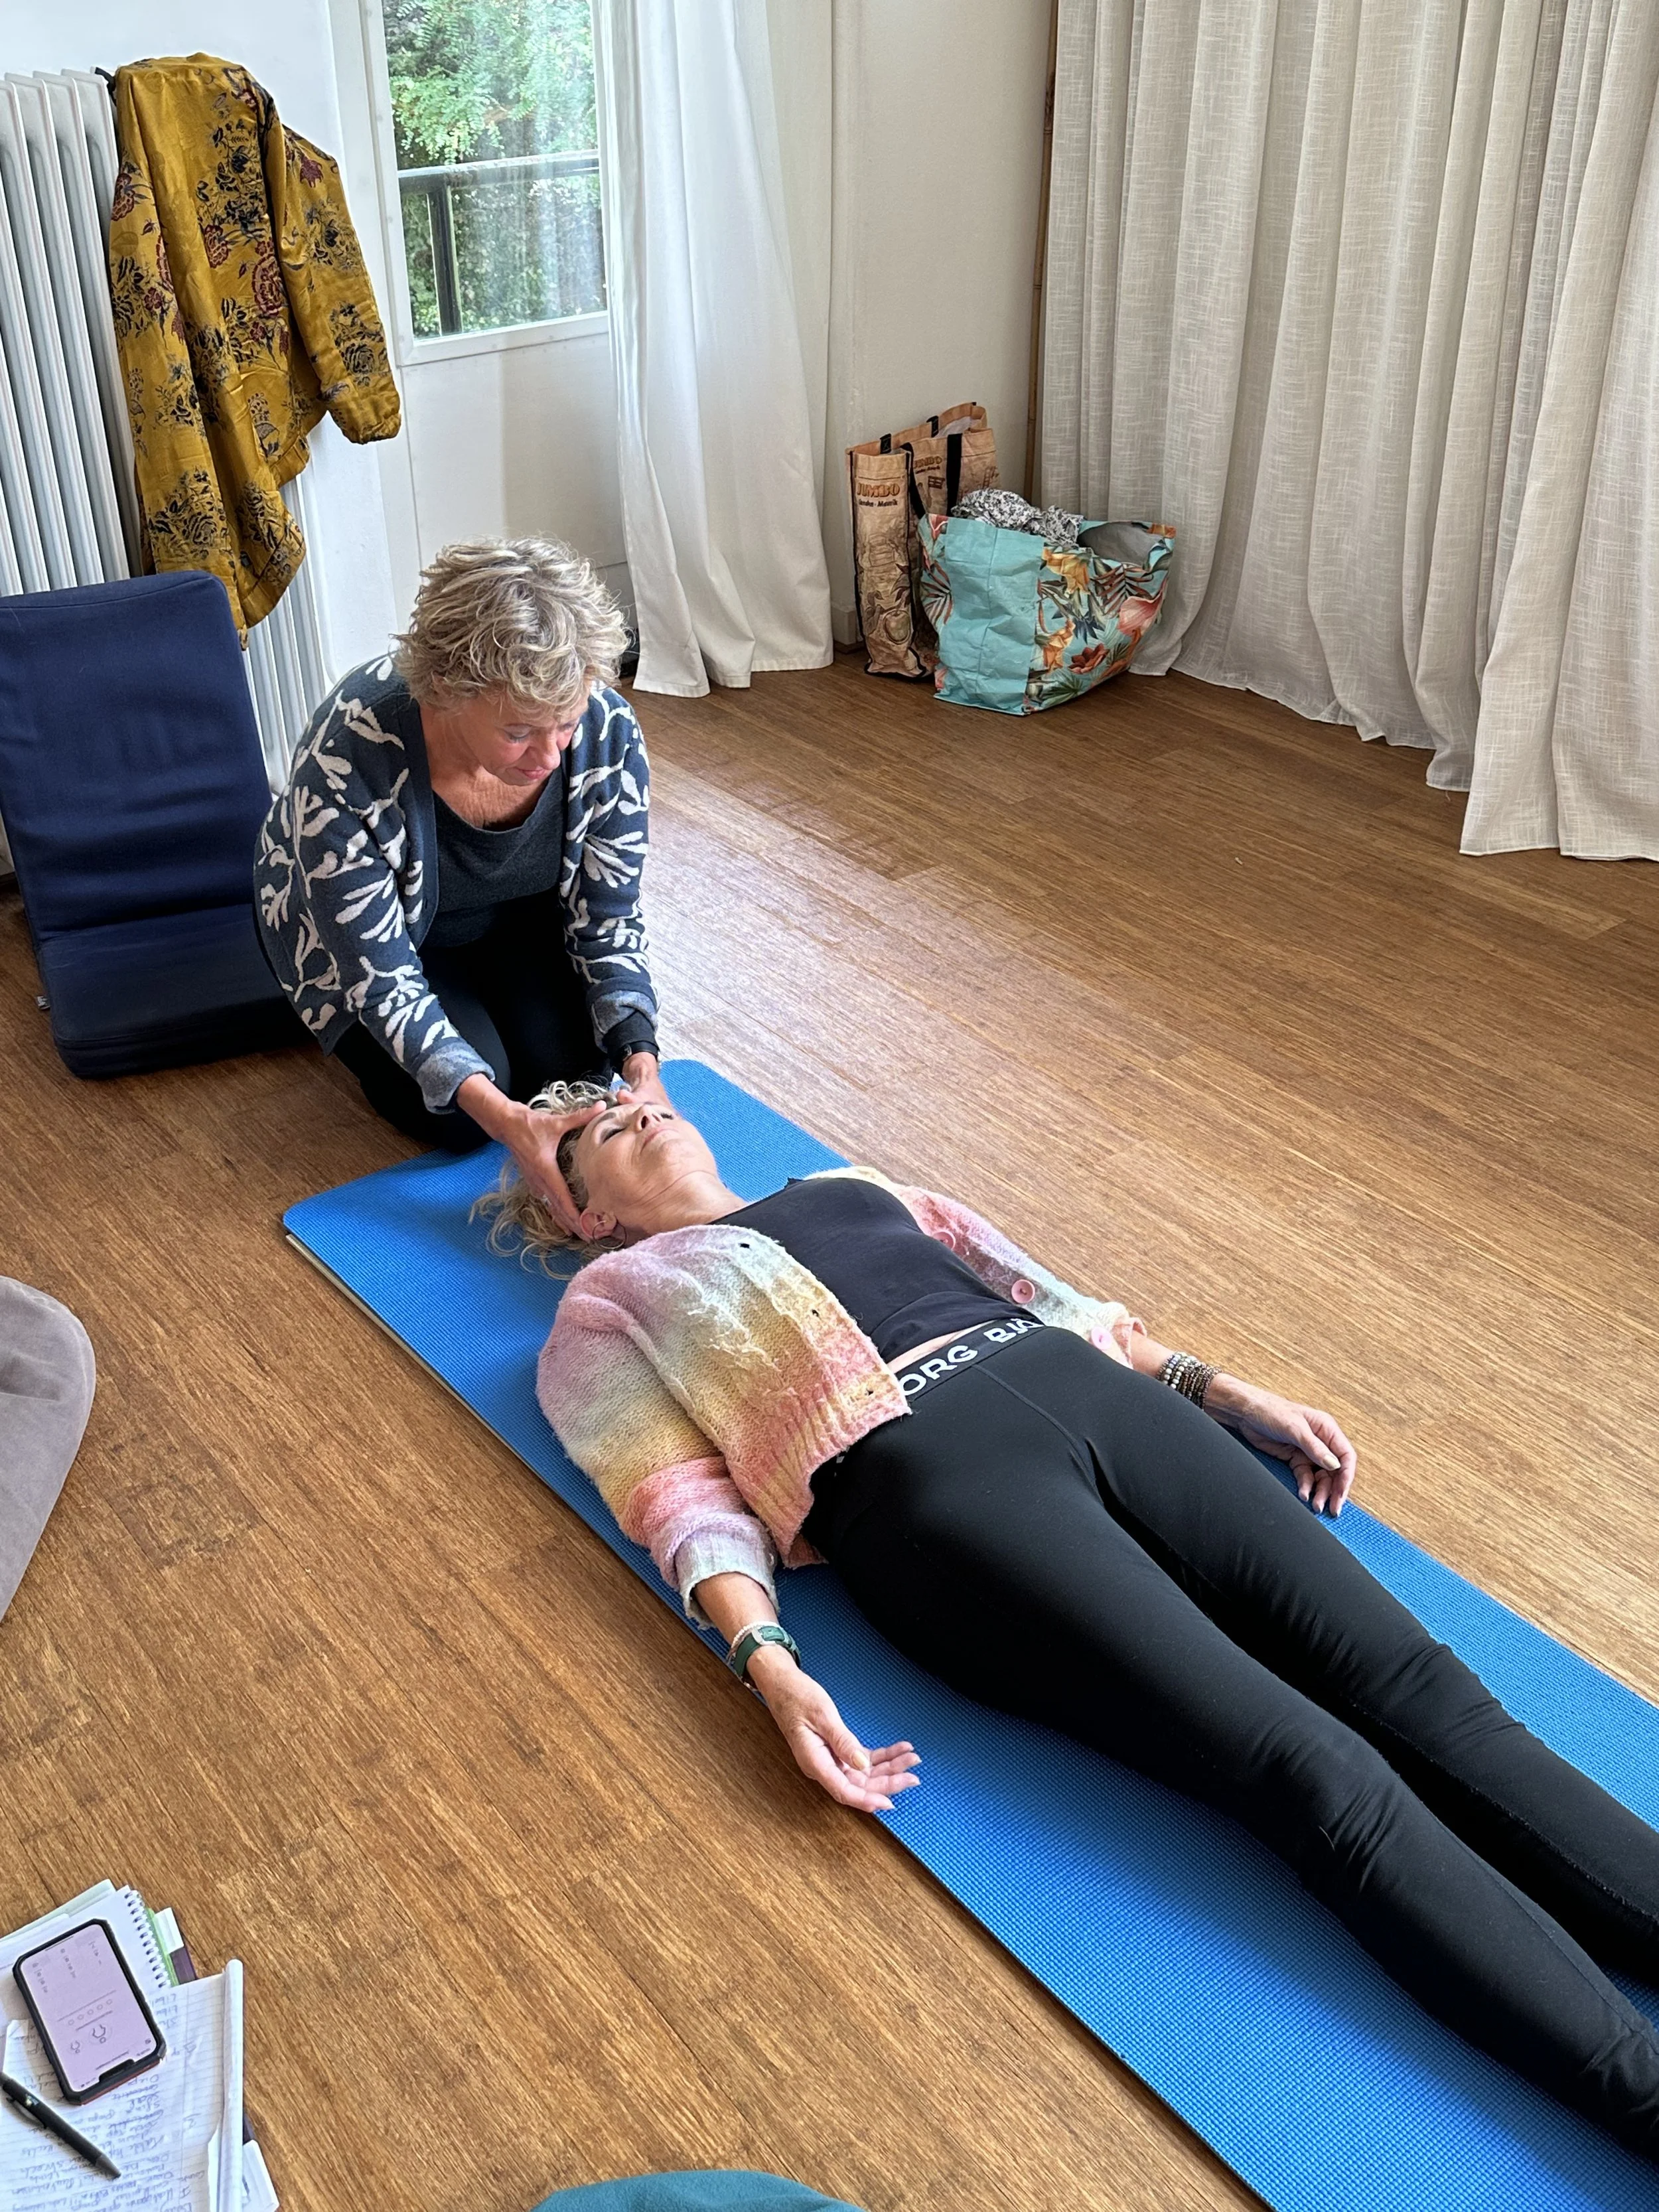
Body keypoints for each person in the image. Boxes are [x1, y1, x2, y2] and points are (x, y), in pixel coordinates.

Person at [487, 1084, 1659, 2158]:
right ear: (583, 1211)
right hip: (929, 1485)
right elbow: (678, 1498)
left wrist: (1214, 1383)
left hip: (1089, 1394)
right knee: (1310, 1768)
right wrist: (766, 1661)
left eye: (632, 1094)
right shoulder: (610, 1305)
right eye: (594, 1129)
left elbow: (1041, 1294)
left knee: (1431, 1692)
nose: (630, 1107)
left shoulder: (846, 1186)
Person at [255, 538, 664, 1228]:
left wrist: (640, 1057)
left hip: (517, 916)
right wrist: (497, 1113)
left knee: (583, 1078)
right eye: (519, 732)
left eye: (564, 724)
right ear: (444, 692)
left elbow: (608, 913)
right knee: (460, 1114)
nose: (549, 754)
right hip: (364, 946)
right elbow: (380, 977)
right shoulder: (348, 754)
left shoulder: (603, 726)